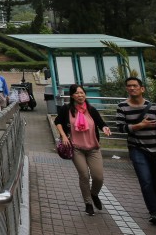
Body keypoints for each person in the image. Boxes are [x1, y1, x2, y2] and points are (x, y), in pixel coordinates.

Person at [116, 77, 156, 225]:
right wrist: (140, 126)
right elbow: (121, 128)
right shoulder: (122, 107)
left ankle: (155, 205)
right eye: (129, 86)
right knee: (145, 181)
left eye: (135, 85)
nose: (132, 88)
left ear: (142, 88)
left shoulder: (155, 108)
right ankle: (155, 212)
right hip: (137, 149)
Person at [54, 84, 112, 215]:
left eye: (82, 93)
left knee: (98, 177)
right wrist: (64, 136)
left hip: (93, 148)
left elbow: (101, 123)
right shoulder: (66, 109)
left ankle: (94, 194)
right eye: (77, 93)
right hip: (76, 148)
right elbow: (57, 122)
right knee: (84, 175)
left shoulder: (91, 110)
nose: (80, 95)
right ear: (72, 95)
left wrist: (105, 128)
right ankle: (88, 203)